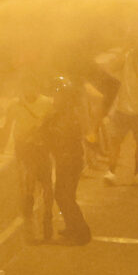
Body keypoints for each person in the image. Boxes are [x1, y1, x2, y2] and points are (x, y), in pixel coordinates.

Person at [41, 78, 90, 245]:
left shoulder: (69, 117)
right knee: (62, 196)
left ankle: (81, 233)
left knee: (66, 197)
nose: (54, 98)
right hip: (64, 161)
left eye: (57, 95)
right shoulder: (57, 115)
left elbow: (63, 139)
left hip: (70, 162)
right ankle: (71, 227)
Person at [4, 78, 53, 242]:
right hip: (24, 148)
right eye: (25, 86)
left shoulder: (47, 103)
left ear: (37, 87)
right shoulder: (15, 105)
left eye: (31, 85)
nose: (28, 89)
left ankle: (47, 219)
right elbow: (7, 127)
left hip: (41, 148)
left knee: (46, 184)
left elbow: (51, 125)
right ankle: (30, 222)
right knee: (29, 183)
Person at [103, 42, 138, 186]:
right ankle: (111, 172)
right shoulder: (126, 56)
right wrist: (124, 50)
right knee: (115, 141)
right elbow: (112, 67)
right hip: (122, 109)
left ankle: (137, 174)